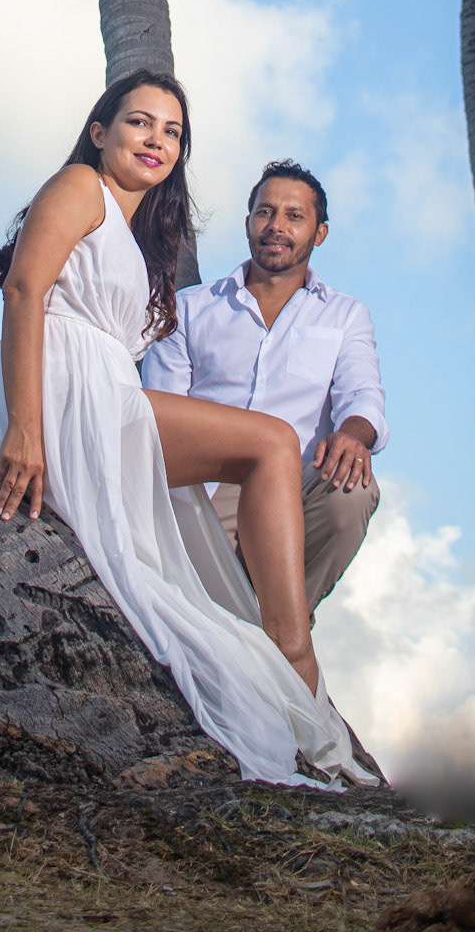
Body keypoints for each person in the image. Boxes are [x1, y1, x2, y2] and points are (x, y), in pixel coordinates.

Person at [0, 70, 374, 787]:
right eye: (140, 122)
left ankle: (287, 647)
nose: (156, 139)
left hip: (96, 390)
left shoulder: (132, 232)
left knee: (269, 450)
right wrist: (22, 425)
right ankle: (294, 651)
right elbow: (26, 290)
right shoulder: (80, 186)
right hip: (66, 395)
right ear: (100, 132)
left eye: (172, 131)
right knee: (272, 441)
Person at [142, 160, 385, 620]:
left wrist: (353, 435)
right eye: (265, 212)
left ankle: (282, 626)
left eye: (294, 216)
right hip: (206, 489)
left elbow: (363, 395)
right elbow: (161, 412)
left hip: (296, 490)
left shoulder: (345, 316)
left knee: (352, 489)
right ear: (248, 222)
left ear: (320, 233)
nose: (276, 226)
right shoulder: (189, 309)